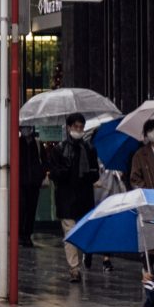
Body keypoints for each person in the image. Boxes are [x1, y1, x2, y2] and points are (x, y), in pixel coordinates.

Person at [46, 115, 102, 282]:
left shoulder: (89, 149)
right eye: (75, 126)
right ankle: (74, 268)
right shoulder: (59, 149)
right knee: (70, 234)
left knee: (83, 232)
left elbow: (95, 173)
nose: (78, 130)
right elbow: (54, 173)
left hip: (84, 198)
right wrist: (66, 170)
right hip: (67, 198)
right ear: (69, 127)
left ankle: (85, 254)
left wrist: (89, 174)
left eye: (81, 127)